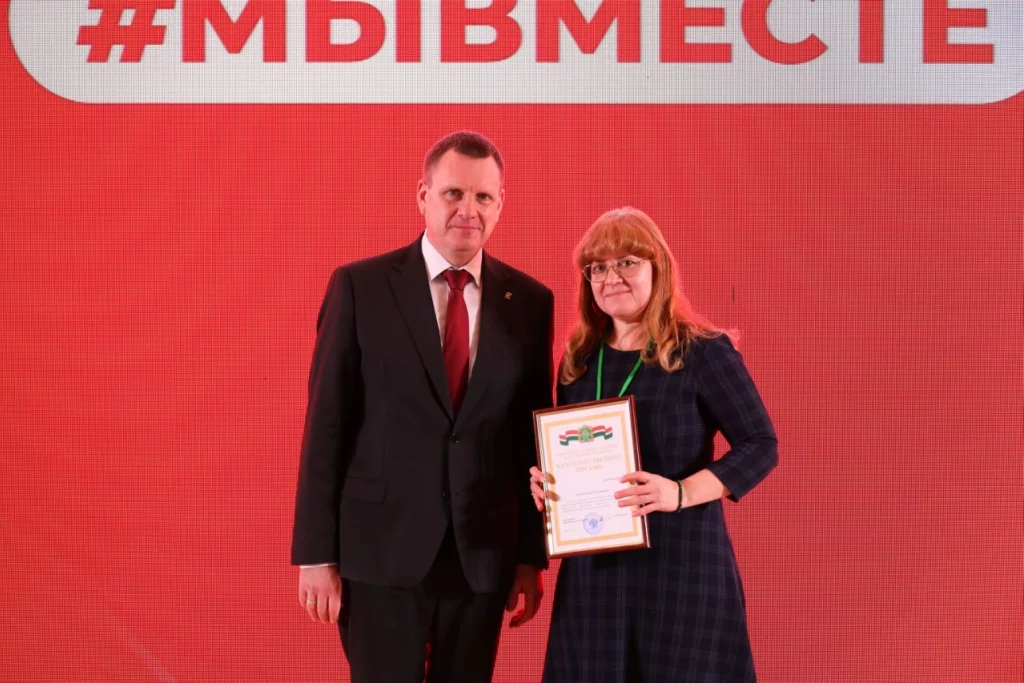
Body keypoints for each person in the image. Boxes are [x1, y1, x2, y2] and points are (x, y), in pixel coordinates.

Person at [293, 131, 553, 683]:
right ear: (423, 196)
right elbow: (326, 427)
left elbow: (531, 438)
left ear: (501, 204)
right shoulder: (360, 287)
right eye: (453, 193)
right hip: (379, 553)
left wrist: (531, 556)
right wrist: (316, 555)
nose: (468, 210)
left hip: (482, 554)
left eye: (483, 197)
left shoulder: (530, 302)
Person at [530, 207, 778, 682]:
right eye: (598, 267)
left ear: (657, 268)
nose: (611, 277)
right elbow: (567, 452)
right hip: (595, 580)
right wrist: (546, 483)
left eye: (627, 262)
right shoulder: (578, 361)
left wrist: (679, 492)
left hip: (681, 570)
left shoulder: (701, 350)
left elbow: (761, 444)